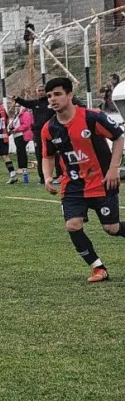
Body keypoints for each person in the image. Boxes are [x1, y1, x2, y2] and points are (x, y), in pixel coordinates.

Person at [41, 77, 125, 282]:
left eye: (57, 94)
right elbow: (48, 156)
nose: (52, 99)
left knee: (112, 229)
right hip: (73, 186)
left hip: (102, 182)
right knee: (73, 225)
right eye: (49, 96)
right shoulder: (49, 129)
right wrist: (48, 176)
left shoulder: (91, 117)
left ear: (70, 95)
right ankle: (98, 268)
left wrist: (113, 168)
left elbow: (118, 137)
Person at [16, 84, 56, 184]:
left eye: (43, 90)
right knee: (40, 155)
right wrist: (17, 99)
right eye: (39, 90)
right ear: (37, 92)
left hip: (52, 132)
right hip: (38, 133)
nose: (41, 92)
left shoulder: (52, 102)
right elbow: (25, 103)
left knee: (56, 154)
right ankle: (43, 178)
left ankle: (59, 176)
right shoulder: (35, 103)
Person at [8, 97, 33, 183]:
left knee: (21, 150)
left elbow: (26, 125)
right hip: (17, 135)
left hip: (22, 135)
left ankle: (23, 167)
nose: (17, 107)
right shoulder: (17, 115)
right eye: (16, 106)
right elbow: (13, 124)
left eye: (18, 106)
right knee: (19, 150)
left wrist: (17, 129)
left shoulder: (25, 113)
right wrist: (11, 127)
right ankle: (21, 167)